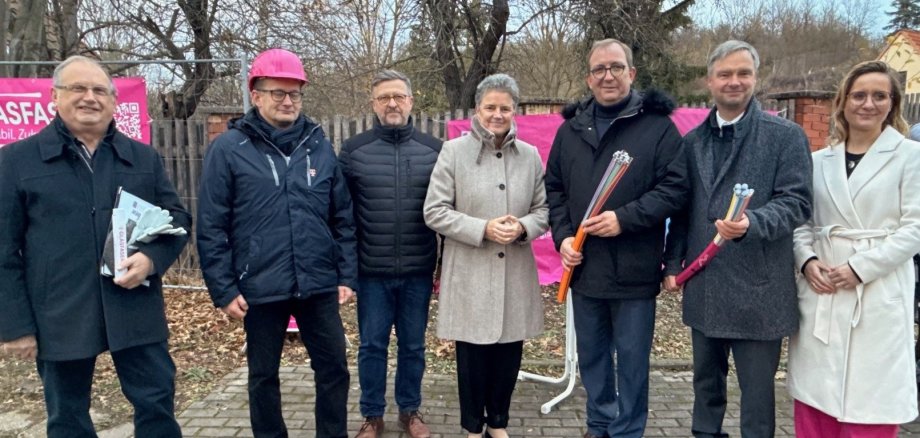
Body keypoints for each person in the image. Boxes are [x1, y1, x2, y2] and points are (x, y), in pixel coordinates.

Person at [0, 56, 190, 437]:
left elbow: (178, 220)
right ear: (55, 96)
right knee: (67, 416)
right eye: (78, 88)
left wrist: (151, 260)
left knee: (156, 404)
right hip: (59, 312)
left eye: (99, 90)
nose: (90, 97)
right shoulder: (16, 161)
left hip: (134, 306)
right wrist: (15, 326)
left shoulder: (142, 158)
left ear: (114, 101)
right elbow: (4, 251)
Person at [196, 48, 356, 438]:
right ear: (256, 94)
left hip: (318, 284)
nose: (288, 101)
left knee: (334, 369)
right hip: (259, 286)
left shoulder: (319, 145)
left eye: (295, 94)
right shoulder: (228, 149)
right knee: (263, 375)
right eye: (277, 93)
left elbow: (342, 217)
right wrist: (223, 288)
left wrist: (346, 275)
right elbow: (212, 225)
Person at [662, 40, 813, 437]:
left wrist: (753, 222)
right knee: (706, 387)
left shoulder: (785, 136)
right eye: (725, 74)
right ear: (709, 81)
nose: (734, 81)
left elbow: (797, 202)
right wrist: (674, 266)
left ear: (755, 78)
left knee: (758, 396)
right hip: (706, 283)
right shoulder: (692, 142)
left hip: (759, 287)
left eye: (743, 73)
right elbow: (681, 210)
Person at [545, 39, 687, 438]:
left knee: (632, 361)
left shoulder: (658, 128)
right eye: (599, 69)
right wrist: (563, 239)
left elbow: (675, 189)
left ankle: (627, 431)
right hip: (585, 269)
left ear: (631, 73)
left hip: (634, 270)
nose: (607, 75)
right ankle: (599, 424)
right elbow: (554, 189)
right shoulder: (571, 130)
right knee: (591, 357)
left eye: (616, 67)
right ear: (589, 78)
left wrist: (624, 219)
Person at [788, 60, 920, 436]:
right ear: (843, 102)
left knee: (871, 401)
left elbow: (916, 227)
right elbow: (802, 222)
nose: (868, 103)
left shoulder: (911, 157)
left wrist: (862, 267)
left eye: (880, 96)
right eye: (859, 95)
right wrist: (807, 260)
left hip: (876, 292)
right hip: (823, 289)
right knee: (816, 401)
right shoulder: (817, 161)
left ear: (892, 104)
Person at [423, 73, 548, 438]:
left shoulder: (530, 156)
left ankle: (498, 422)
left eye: (505, 107)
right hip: (470, 271)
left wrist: (523, 227)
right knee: (473, 357)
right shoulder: (453, 152)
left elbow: (543, 210)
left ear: (514, 111)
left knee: (509, 354)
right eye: (490, 107)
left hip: (514, 271)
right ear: (477, 109)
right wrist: (483, 229)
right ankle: (471, 426)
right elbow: (435, 211)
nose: (497, 114)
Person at [339, 70, 441, 438]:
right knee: (372, 346)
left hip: (418, 268)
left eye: (399, 96)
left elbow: (446, 212)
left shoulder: (434, 150)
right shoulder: (354, 151)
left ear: (412, 101)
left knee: (414, 346)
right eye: (384, 98)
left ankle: (410, 410)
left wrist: (442, 267)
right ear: (374, 104)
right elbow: (343, 217)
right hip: (371, 272)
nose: (392, 103)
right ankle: (372, 414)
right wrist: (346, 273)